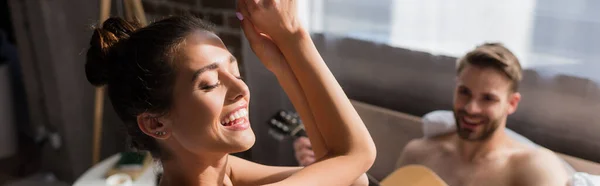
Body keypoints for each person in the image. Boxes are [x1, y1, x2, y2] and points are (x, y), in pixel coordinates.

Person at [84, 0, 376, 185]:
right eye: (210, 83)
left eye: (235, 72)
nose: (240, 89)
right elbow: (357, 156)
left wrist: (282, 68)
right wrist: (294, 39)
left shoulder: (223, 172)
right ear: (155, 123)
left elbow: (350, 177)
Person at [396, 43, 570, 186]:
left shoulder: (534, 166)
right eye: (465, 92)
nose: (471, 108)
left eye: (488, 98)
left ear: (512, 103)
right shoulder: (419, 155)